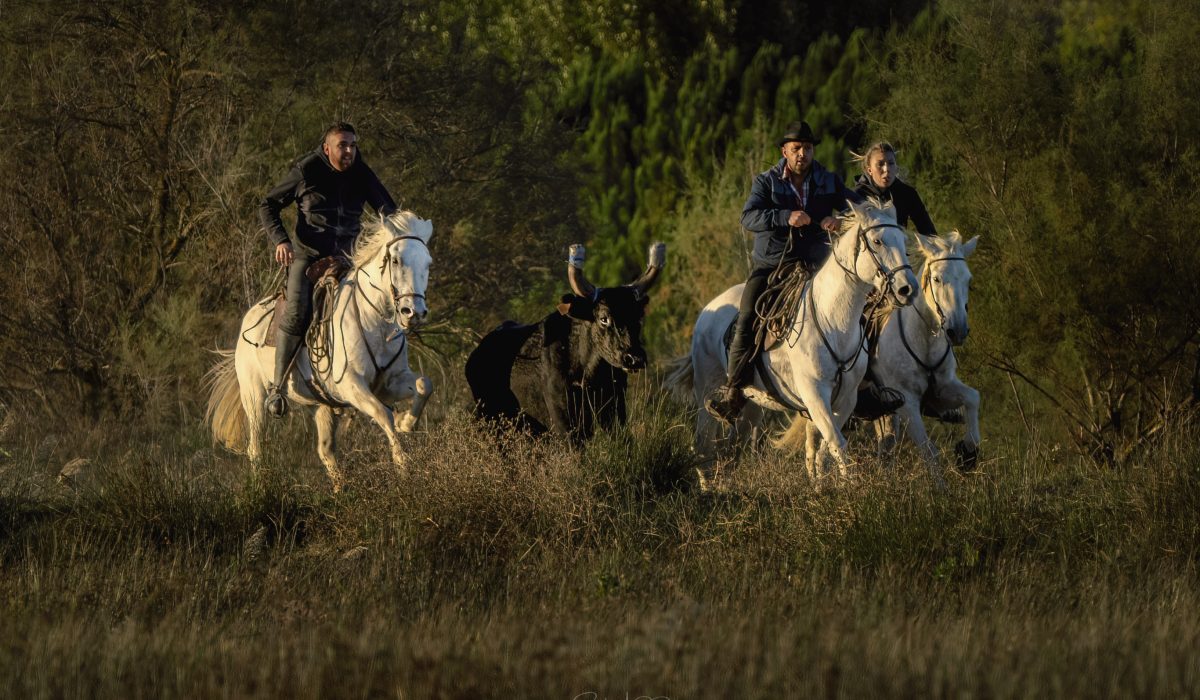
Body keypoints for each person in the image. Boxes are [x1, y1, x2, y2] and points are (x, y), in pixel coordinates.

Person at [705, 121, 865, 425]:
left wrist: (840, 220)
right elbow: (748, 217)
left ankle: (862, 389)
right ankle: (734, 391)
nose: (802, 153)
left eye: (807, 147)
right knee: (748, 315)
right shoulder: (765, 182)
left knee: (860, 309)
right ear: (785, 151)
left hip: (817, 264)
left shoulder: (828, 180)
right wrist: (785, 216)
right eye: (796, 148)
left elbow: (856, 206)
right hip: (773, 264)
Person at [258, 122, 398, 418]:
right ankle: (277, 387)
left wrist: (402, 236)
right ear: (327, 147)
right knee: (297, 310)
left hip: (348, 258)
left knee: (381, 302)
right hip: (308, 258)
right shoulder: (307, 170)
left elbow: (388, 209)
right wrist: (281, 241)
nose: (349, 151)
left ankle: (374, 376)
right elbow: (267, 204)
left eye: (353, 145)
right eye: (342, 145)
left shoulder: (361, 171)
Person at [852, 141, 937, 237]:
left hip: (899, 248)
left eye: (891, 163)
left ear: (896, 166)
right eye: (880, 164)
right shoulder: (857, 195)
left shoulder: (907, 193)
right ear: (870, 170)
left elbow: (929, 232)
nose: (886, 169)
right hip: (867, 250)